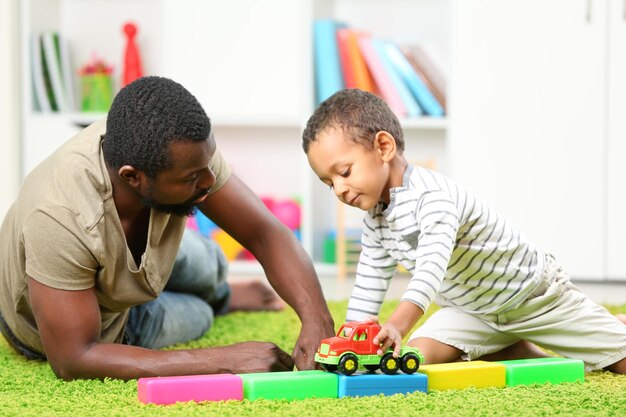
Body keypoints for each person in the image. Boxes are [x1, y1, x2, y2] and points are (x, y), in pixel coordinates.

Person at [0, 76, 335, 381]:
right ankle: (220, 301)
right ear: (133, 177)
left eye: (208, 164)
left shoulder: (181, 148)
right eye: (192, 179)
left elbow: (264, 233)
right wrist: (225, 360)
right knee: (199, 316)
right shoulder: (59, 216)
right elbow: (75, 357)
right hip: (90, 321)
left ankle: (218, 289)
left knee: (210, 264)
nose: (210, 181)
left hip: (132, 256)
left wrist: (317, 318)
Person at [302, 88, 626, 374]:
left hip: (532, 297)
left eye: (344, 172)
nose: (340, 190)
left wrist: (397, 324)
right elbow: (371, 276)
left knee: (620, 361)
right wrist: (354, 335)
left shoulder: (432, 197)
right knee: (414, 358)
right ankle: (514, 348)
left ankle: (613, 327)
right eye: (329, 183)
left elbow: (430, 269)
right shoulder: (375, 217)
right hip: (471, 311)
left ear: (383, 147)